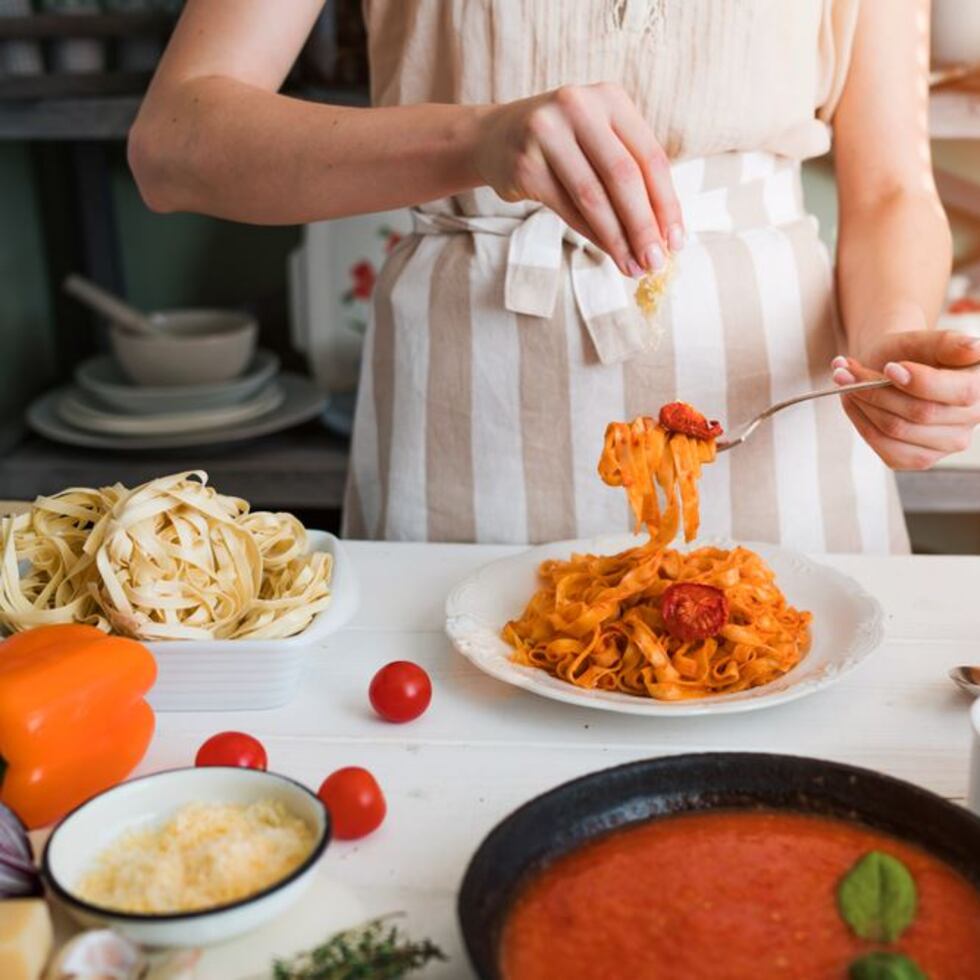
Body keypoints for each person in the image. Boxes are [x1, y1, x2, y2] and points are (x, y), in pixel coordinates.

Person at [129, 0, 978, 552]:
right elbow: (172, 146)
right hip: (470, 398)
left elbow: (894, 189)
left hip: (773, 406)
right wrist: (474, 142)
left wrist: (887, 343)